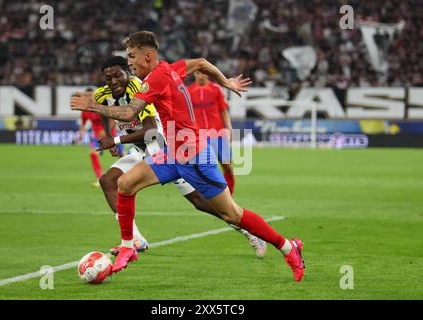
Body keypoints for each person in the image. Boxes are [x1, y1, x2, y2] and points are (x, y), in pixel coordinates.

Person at [71, 31, 305, 282]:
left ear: (148, 56)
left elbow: (129, 113)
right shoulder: (173, 68)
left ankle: (289, 248)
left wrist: (93, 106)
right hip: (172, 152)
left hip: (194, 156)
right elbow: (202, 63)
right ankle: (129, 247)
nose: (129, 63)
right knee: (124, 184)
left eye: (132, 57)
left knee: (232, 214)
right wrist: (227, 82)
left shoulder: (154, 80)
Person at [94, 56, 267, 256]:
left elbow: (152, 132)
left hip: (164, 148)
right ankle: (135, 240)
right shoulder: (103, 94)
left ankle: (248, 230)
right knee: (108, 181)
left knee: (200, 201)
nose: (113, 81)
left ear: (128, 73)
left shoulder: (140, 89)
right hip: (140, 150)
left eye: (118, 75)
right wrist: (109, 135)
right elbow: (103, 110)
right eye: (108, 78)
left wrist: (114, 141)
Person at [188, 70, 235, 194]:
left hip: (218, 133)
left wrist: (229, 127)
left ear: (207, 74)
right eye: (197, 73)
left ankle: (229, 195)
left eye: (202, 73)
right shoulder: (189, 90)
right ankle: (212, 196)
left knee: (227, 166)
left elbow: (223, 110)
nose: (199, 75)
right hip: (200, 136)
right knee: (204, 167)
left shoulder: (216, 89)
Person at [77, 88, 106, 188]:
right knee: (93, 154)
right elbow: (83, 123)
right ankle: (100, 179)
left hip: (111, 134)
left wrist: (106, 130)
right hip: (97, 137)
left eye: (90, 95)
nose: (88, 97)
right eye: (86, 95)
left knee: (121, 155)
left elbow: (112, 118)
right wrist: (81, 133)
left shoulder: (101, 105)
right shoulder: (85, 110)